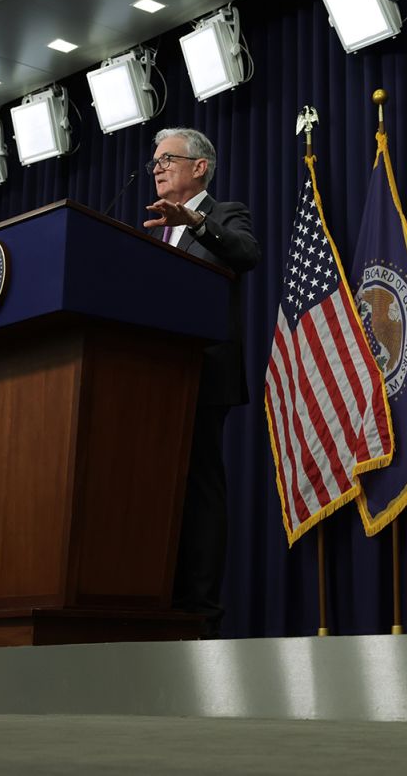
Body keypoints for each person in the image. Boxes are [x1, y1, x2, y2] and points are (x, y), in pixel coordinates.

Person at [142, 127, 260, 637]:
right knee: (160, 487)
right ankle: (158, 597)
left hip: (204, 370)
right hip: (155, 376)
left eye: (168, 158)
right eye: (154, 162)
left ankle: (201, 611)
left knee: (200, 488)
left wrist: (196, 222)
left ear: (199, 167)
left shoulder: (226, 213)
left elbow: (245, 253)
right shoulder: (152, 229)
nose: (157, 167)